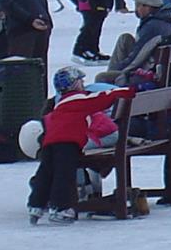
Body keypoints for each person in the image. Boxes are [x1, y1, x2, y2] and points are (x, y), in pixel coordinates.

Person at [27, 66, 131, 224]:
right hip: (67, 143)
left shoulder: (60, 104)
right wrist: (123, 92)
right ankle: (61, 207)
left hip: (50, 142)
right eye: (81, 81)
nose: (83, 84)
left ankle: (36, 205)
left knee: (46, 173)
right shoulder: (79, 99)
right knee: (64, 174)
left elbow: (49, 120)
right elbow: (100, 100)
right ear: (75, 84)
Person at [97, 0, 171, 86]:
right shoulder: (162, 22)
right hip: (157, 70)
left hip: (147, 75)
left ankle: (109, 89)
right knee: (125, 38)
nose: (136, 10)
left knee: (102, 77)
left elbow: (136, 59)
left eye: (138, 6)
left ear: (147, 6)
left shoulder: (152, 27)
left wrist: (114, 74)